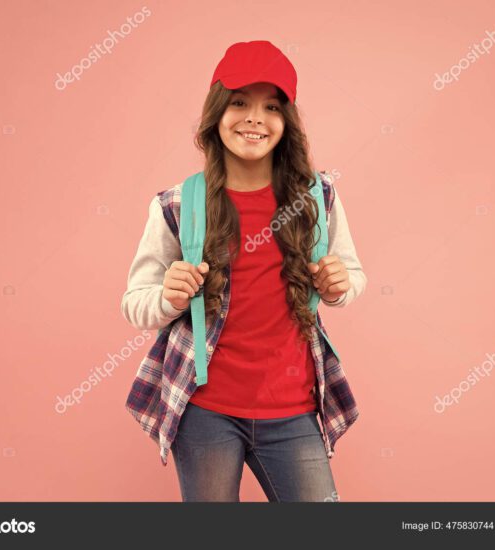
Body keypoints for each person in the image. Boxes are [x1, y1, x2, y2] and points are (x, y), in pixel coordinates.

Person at [121, 40, 367, 502]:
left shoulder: (318, 197)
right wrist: (168, 298)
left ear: (286, 122)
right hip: (205, 412)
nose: (254, 117)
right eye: (239, 102)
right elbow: (136, 303)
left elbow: (351, 273)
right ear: (217, 112)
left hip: (293, 411)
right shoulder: (178, 204)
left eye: (271, 106)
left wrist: (341, 285)